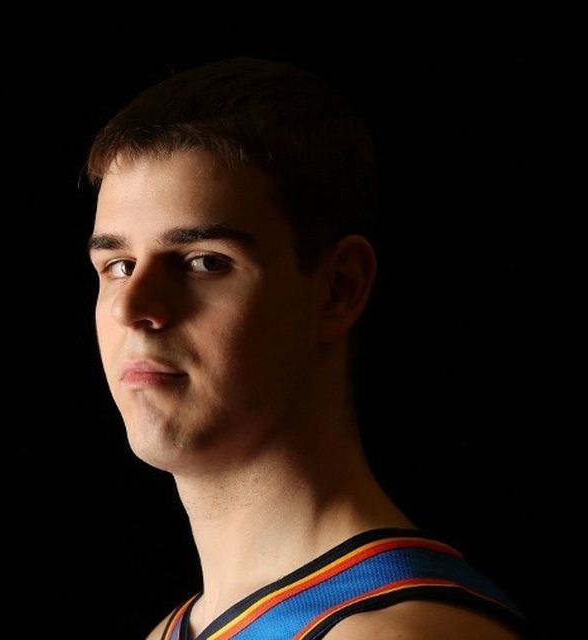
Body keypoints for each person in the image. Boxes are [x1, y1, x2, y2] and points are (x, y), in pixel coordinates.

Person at [83, 56, 529, 639]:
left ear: (339, 288)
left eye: (204, 263)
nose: (132, 307)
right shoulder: (174, 630)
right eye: (118, 265)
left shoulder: (395, 633)